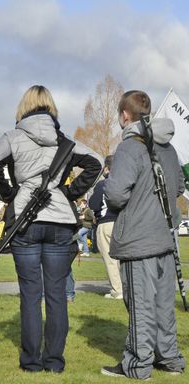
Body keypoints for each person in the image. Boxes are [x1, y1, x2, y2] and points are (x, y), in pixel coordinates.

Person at [0, 85, 102, 373]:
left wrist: (9, 194)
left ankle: (31, 361)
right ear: (51, 107)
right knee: (57, 294)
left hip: (26, 220)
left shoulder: (12, 137)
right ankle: (54, 361)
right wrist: (69, 192)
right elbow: (96, 162)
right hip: (60, 221)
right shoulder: (63, 141)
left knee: (31, 294)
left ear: (23, 107)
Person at [101, 90, 185, 379]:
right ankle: (170, 359)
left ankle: (137, 365)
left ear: (126, 115)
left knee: (140, 306)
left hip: (138, 239)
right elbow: (178, 188)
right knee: (164, 305)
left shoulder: (129, 148)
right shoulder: (169, 148)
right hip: (165, 237)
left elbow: (114, 194)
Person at [89, 155, 122, 299]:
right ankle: (128, 288)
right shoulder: (125, 182)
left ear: (107, 168)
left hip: (106, 222)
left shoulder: (102, 184)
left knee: (111, 260)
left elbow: (93, 205)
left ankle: (117, 291)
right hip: (123, 223)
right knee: (124, 258)